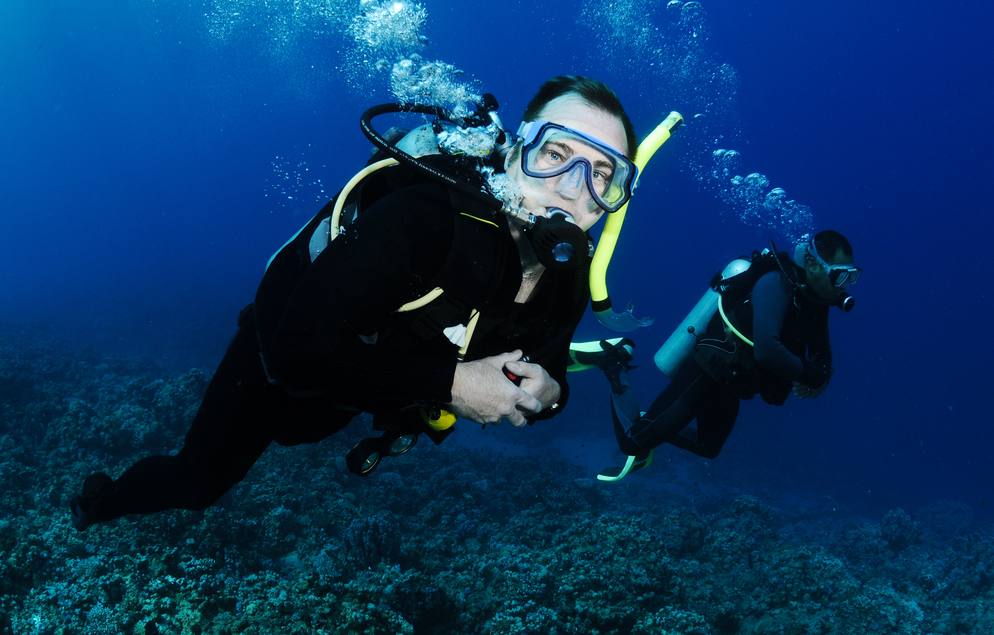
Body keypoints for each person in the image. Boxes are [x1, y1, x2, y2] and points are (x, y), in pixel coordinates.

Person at [70, 76, 641, 530]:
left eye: (603, 175)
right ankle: (96, 504)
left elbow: (550, 370)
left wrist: (550, 394)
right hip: (274, 365)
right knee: (196, 485)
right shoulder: (425, 218)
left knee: (307, 428)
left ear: (614, 199)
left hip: (361, 389)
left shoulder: (570, 273)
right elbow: (296, 351)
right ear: (518, 149)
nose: (571, 187)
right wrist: (451, 383)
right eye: (556, 153)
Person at [597, 231, 860, 479]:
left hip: (733, 385)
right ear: (813, 265)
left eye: (851, 277)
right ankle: (614, 361)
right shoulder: (776, 284)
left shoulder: (815, 299)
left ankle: (652, 422)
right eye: (839, 276)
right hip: (706, 375)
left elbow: (822, 355)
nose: (844, 285)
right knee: (632, 443)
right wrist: (811, 376)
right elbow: (767, 352)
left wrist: (819, 377)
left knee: (708, 447)